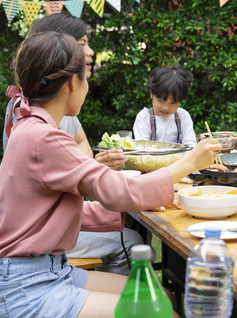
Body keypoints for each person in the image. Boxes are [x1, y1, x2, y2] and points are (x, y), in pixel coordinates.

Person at [0, 31, 221, 317]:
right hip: (29, 287)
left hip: (48, 271)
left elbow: (53, 214)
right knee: (159, 311)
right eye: (86, 78)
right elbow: (120, 191)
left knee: (163, 297)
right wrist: (190, 162)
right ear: (72, 83)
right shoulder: (44, 138)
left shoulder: (31, 128)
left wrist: (135, 208)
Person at [1, 13, 143, 275]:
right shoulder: (33, 124)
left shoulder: (50, 111)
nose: (89, 52)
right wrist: (87, 170)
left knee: (128, 236)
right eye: (81, 44)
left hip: (43, 243)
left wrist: (84, 167)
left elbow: (81, 145)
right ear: (55, 50)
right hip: (36, 250)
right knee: (132, 242)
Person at [133, 65, 197, 147]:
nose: (165, 108)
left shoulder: (183, 116)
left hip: (181, 159)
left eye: (173, 103)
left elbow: (190, 146)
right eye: (160, 101)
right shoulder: (144, 117)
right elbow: (142, 149)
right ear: (151, 93)